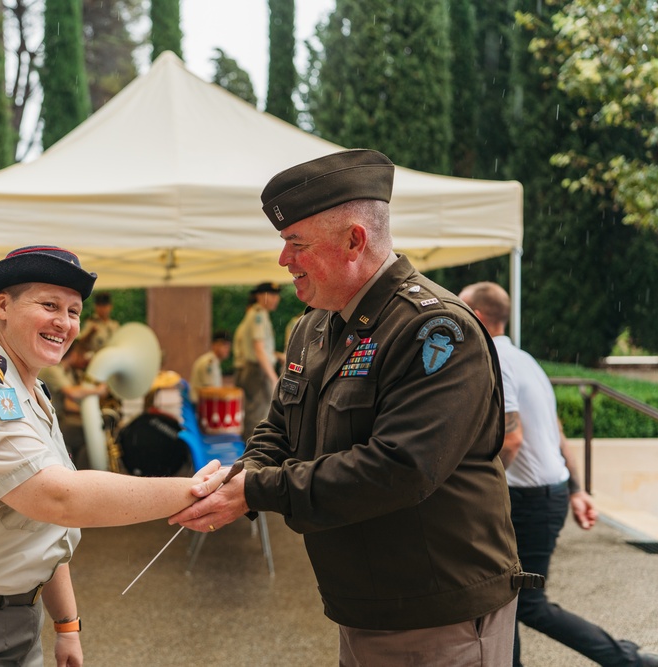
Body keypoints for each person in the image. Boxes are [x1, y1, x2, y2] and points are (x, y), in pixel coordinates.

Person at [170, 149, 524, 666]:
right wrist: (243, 475)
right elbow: (279, 428)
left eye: (295, 244)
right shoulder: (315, 325)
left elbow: (400, 468)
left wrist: (256, 490)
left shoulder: (434, 329)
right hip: (363, 605)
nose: (282, 260)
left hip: (436, 610)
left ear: (354, 241)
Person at [0, 246, 230, 667]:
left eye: (74, 311)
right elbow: (55, 498)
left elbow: (46, 527)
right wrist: (195, 490)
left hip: (16, 618)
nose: (65, 322)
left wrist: (66, 625)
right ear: (3, 305)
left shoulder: (32, 392)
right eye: (49, 305)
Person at [459, 281, 658, 667]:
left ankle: (630, 660)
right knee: (507, 601)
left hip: (528, 500)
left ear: (478, 316)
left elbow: (513, 439)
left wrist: (476, 493)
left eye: (460, 308)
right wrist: (576, 488)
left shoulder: (495, 360)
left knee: (523, 603)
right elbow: (555, 429)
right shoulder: (525, 360)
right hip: (546, 494)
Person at [38, 339, 107, 468]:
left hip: (56, 419)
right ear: (74, 354)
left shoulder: (64, 370)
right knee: (87, 436)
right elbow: (72, 393)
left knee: (86, 436)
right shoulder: (53, 369)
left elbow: (68, 404)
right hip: (49, 423)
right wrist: (97, 390)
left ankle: (80, 470)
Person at [233, 281, 281, 441]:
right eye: (272, 295)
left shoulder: (256, 313)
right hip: (257, 371)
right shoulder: (258, 314)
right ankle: (254, 458)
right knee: (259, 415)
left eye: (277, 295)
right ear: (260, 296)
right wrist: (273, 377)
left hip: (253, 369)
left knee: (254, 413)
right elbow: (259, 349)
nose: (276, 299)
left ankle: (251, 454)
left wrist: (277, 355)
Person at [188, 329, 232, 403]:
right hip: (202, 406)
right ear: (214, 345)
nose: (227, 349)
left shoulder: (214, 362)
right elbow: (210, 391)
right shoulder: (209, 363)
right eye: (224, 344)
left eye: (228, 345)